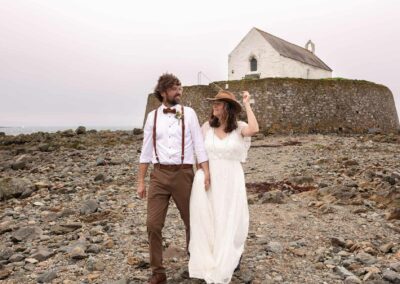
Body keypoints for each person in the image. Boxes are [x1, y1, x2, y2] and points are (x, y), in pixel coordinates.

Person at [137, 73, 210, 284]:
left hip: (184, 174)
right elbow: (146, 151)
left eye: (181, 88)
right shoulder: (152, 117)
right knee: (152, 224)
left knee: (192, 222)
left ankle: (195, 264)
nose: (179, 92)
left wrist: (205, 171)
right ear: (163, 92)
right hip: (158, 175)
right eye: (175, 88)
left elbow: (199, 144)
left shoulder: (190, 113)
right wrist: (141, 181)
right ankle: (158, 273)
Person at [188, 90, 259, 284]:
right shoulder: (206, 128)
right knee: (209, 219)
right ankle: (210, 259)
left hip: (232, 180)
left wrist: (247, 103)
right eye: (214, 103)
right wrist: (203, 172)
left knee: (232, 218)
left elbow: (254, 129)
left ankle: (229, 258)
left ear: (227, 107)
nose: (215, 106)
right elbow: (199, 153)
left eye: (219, 103)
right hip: (209, 179)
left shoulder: (239, 128)